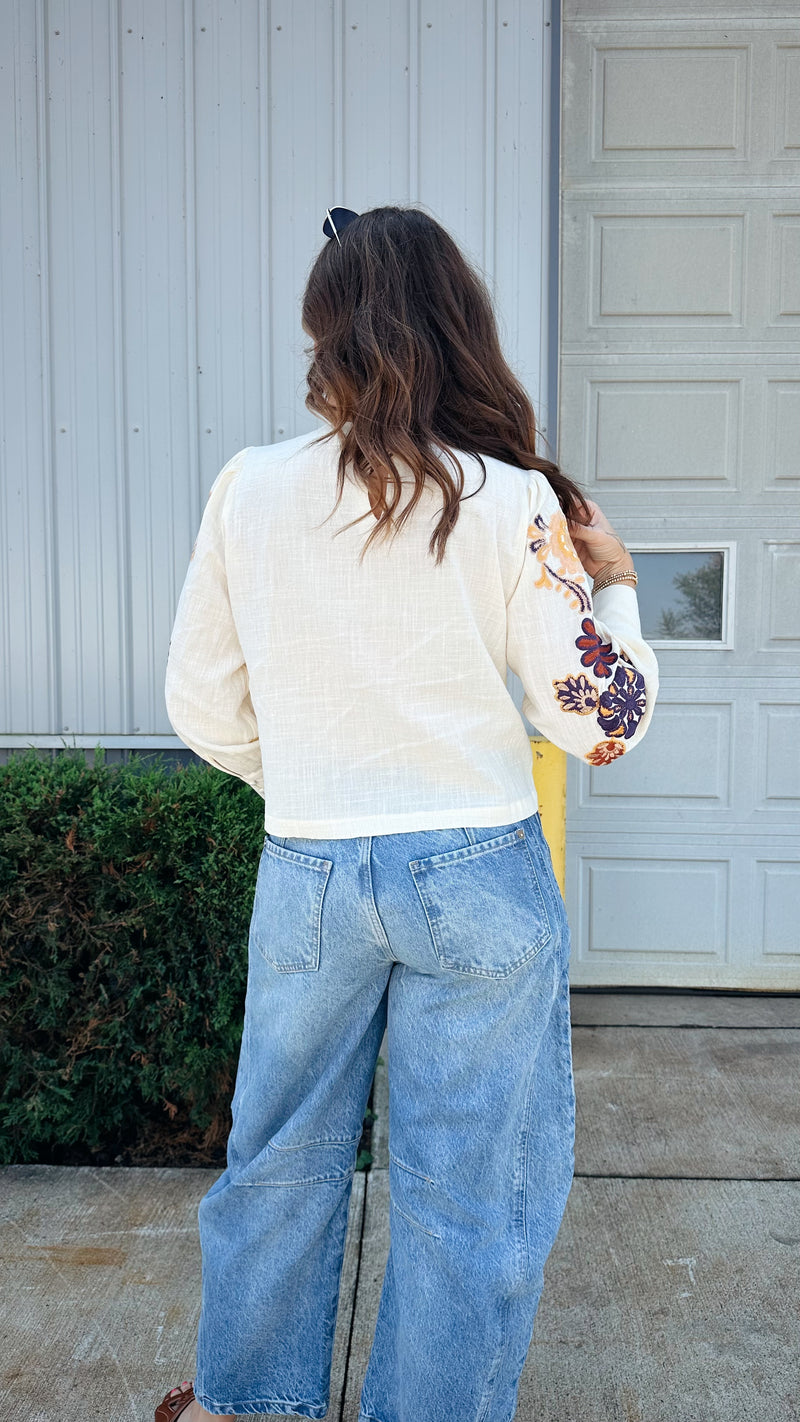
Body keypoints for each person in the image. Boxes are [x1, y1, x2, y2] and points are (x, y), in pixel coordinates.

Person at [158, 204, 658, 1422]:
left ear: (324, 330)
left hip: (311, 870)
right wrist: (619, 589)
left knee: (276, 1166)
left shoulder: (251, 488)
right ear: (457, 328)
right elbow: (601, 721)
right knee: (466, 1189)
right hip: (475, 871)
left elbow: (199, 706)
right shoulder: (509, 499)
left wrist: (317, 788)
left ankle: (246, 1410)